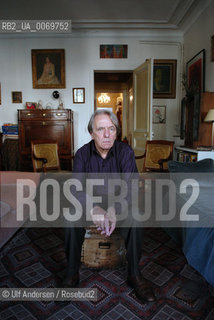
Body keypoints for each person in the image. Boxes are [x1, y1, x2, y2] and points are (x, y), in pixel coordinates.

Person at [61, 109, 155, 303]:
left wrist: (114, 209)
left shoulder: (125, 152)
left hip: (117, 204)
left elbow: (131, 188)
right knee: (69, 216)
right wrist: (94, 209)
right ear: (92, 133)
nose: (107, 134)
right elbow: (76, 189)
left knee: (136, 216)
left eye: (111, 129)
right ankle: (71, 274)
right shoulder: (82, 154)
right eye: (101, 129)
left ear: (116, 131)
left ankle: (135, 274)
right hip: (90, 204)